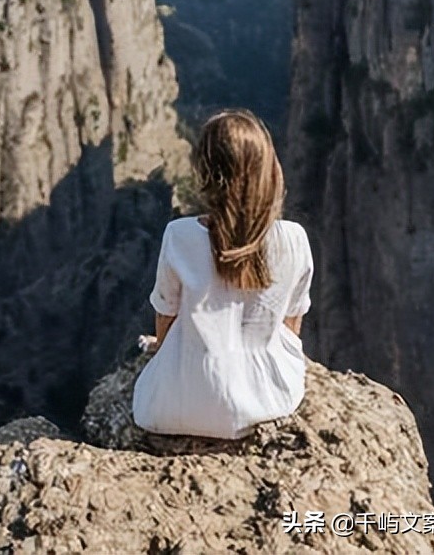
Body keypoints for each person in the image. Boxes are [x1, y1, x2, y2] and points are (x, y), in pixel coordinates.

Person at [132, 108, 314, 439]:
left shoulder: (179, 235)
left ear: (204, 174)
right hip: (266, 401)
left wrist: (163, 353)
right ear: (269, 172)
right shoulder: (294, 239)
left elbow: (166, 318)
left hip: (176, 407)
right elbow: (291, 326)